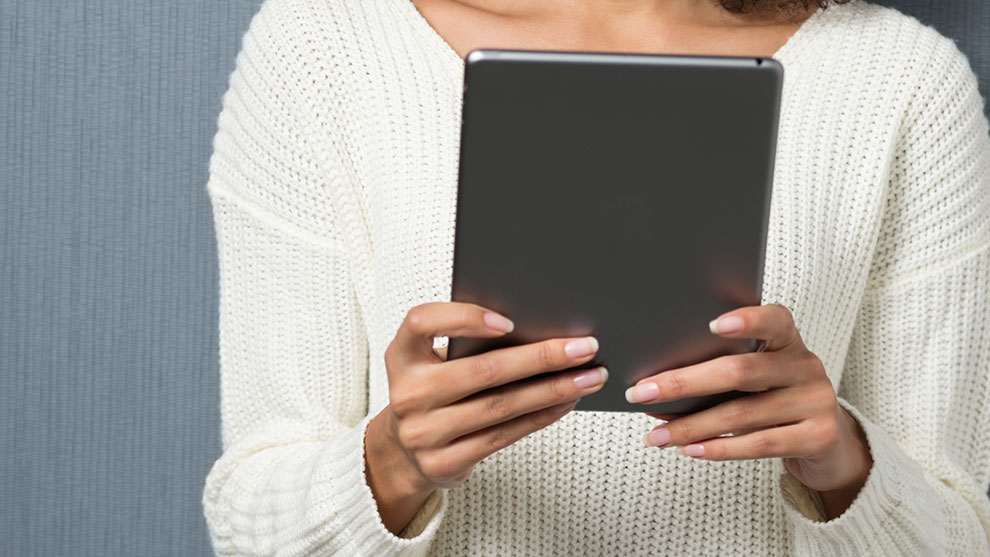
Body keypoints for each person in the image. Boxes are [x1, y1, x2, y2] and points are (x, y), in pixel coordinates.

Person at [201, 0, 990, 554]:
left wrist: (845, 464)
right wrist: (389, 465)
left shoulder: (902, 78)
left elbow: (961, 537)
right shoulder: (322, 44)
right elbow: (249, 523)